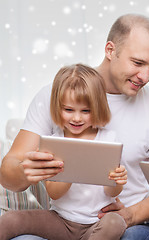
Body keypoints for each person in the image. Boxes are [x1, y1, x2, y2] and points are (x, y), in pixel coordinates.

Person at [0, 14, 149, 240]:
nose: (146, 76)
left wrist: (131, 214)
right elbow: (8, 174)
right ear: (110, 50)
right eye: (138, 63)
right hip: (64, 219)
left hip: (125, 224)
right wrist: (26, 170)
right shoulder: (56, 95)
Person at [0, 63, 128, 240]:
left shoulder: (108, 140)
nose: (76, 118)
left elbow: (111, 192)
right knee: (9, 220)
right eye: (68, 110)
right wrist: (72, 167)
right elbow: (54, 193)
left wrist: (118, 181)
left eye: (86, 111)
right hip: (60, 221)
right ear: (57, 108)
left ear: (98, 108)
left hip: (96, 223)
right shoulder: (54, 141)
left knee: (115, 223)